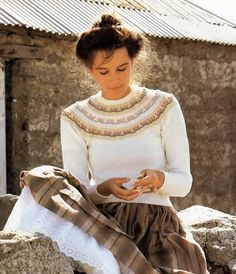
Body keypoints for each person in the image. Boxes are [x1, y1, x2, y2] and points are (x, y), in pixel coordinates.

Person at [4, 13, 209, 274]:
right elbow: (77, 194)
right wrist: (103, 187)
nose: (114, 78)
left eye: (122, 68)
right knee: (44, 176)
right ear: (90, 70)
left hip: (159, 227)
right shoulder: (75, 117)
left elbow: (184, 183)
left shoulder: (163, 105)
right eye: (103, 71)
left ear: (133, 61)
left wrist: (160, 179)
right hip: (103, 226)